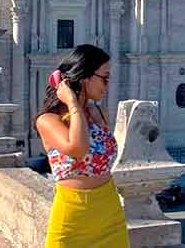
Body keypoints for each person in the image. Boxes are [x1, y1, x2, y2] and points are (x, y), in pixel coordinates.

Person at [34, 44, 129, 248]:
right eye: (104, 77)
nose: (108, 84)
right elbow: (78, 149)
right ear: (85, 77)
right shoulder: (48, 120)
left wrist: (79, 107)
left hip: (109, 211)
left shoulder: (97, 113)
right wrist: (73, 104)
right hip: (72, 216)